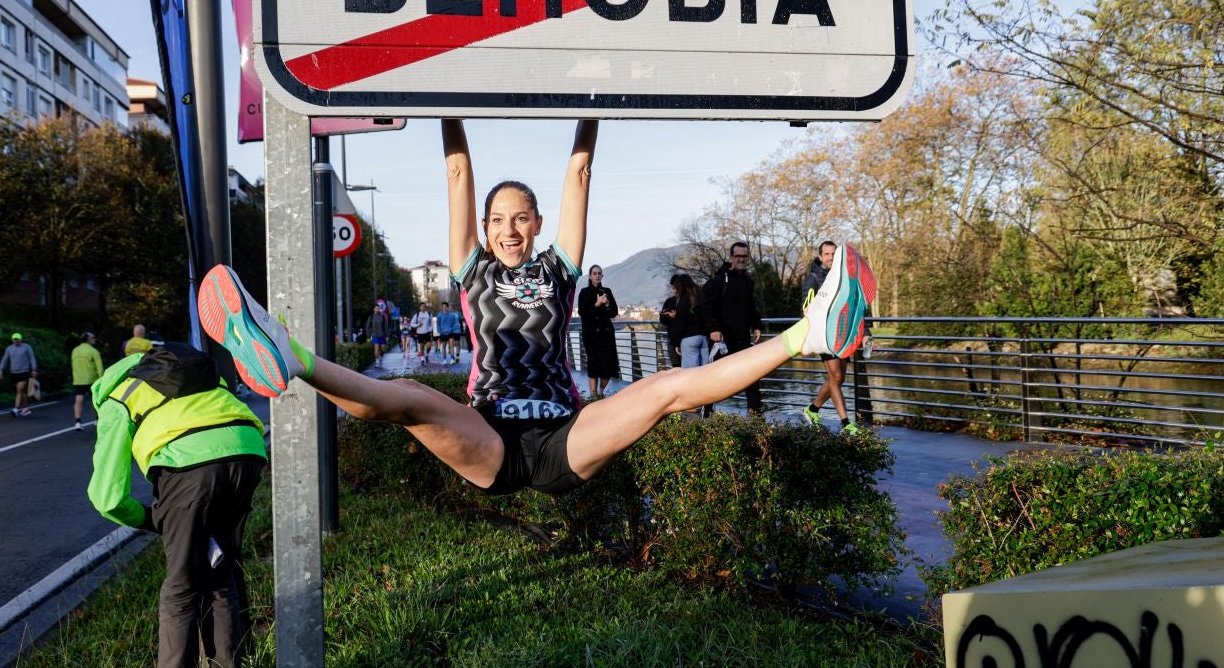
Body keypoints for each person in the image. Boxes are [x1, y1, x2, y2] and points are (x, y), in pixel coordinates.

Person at [196, 118, 871, 501]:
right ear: (485, 229)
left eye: (521, 217)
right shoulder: (473, 270)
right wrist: (445, 101)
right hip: (489, 439)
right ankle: (289, 355)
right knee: (408, 400)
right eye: (498, 219)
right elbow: (457, 173)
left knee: (666, 388)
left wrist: (591, 101)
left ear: (539, 223)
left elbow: (579, 173)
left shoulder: (559, 269)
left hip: (564, 438)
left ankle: (811, 333)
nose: (509, 228)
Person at [87, 343, 266, 668]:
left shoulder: (118, 395)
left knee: (180, 589)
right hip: (248, 449)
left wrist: (152, 519)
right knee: (220, 574)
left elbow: (107, 497)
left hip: (188, 470)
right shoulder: (195, 369)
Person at [698, 242, 765, 417]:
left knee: (752, 376)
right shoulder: (720, 279)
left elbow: (750, 306)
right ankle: (705, 415)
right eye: (738, 256)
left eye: (744, 256)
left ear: (748, 258)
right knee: (713, 378)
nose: (741, 259)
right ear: (731, 258)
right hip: (722, 341)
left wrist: (756, 325)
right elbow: (704, 304)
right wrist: (713, 328)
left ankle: (757, 418)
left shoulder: (747, 280)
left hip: (742, 339)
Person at [801, 240, 859, 433]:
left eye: (834, 254)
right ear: (820, 257)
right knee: (835, 376)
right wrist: (809, 339)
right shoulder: (813, 279)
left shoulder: (844, 277)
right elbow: (806, 310)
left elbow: (855, 306)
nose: (831, 257)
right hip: (825, 336)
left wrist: (865, 333)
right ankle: (846, 423)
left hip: (842, 334)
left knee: (839, 379)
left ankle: (812, 409)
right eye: (827, 254)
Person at [576, 264, 620, 397]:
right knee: (593, 366)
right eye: (594, 273)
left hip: (606, 334)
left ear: (602, 275)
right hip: (591, 335)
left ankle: (600, 391)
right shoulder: (584, 292)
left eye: (599, 273)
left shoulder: (607, 291)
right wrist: (596, 304)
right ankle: (593, 397)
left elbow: (614, 312)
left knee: (609, 366)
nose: (597, 275)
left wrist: (607, 303)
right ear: (590, 276)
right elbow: (582, 313)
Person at [0, 332, 37, 418]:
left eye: (17, 339)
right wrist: (0, 369)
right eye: (14, 339)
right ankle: (26, 408)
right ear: (12, 340)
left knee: (20, 389)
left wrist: (34, 369)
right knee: (20, 391)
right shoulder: (9, 348)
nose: (16, 340)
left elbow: (32, 358)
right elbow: (4, 359)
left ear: (21, 339)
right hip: (13, 372)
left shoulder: (26, 347)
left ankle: (15, 409)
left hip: (24, 371)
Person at [70, 331, 104, 430]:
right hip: (92, 380)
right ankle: (98, 419)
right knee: (96, 401)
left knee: (78, 400)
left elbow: (73, 365)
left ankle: (77, 422)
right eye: (93, 337)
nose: (95, 339)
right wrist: (102, 379)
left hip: (78, 380)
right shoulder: (93, 351)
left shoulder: (75, 350)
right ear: (88, 339)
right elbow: (100, 368)